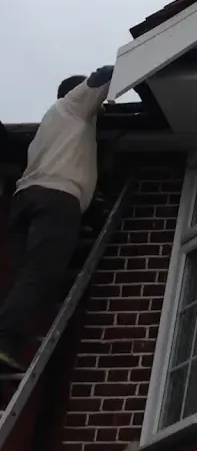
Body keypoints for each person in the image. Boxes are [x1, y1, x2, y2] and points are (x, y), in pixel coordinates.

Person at [0, 66, 113, 371]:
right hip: (56, 199)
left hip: (24, 200)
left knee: (26, 277)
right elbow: (103, 75)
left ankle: (9, 344)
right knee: (41, 273)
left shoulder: (50, 125)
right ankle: (4, 341)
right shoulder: (75, 104)